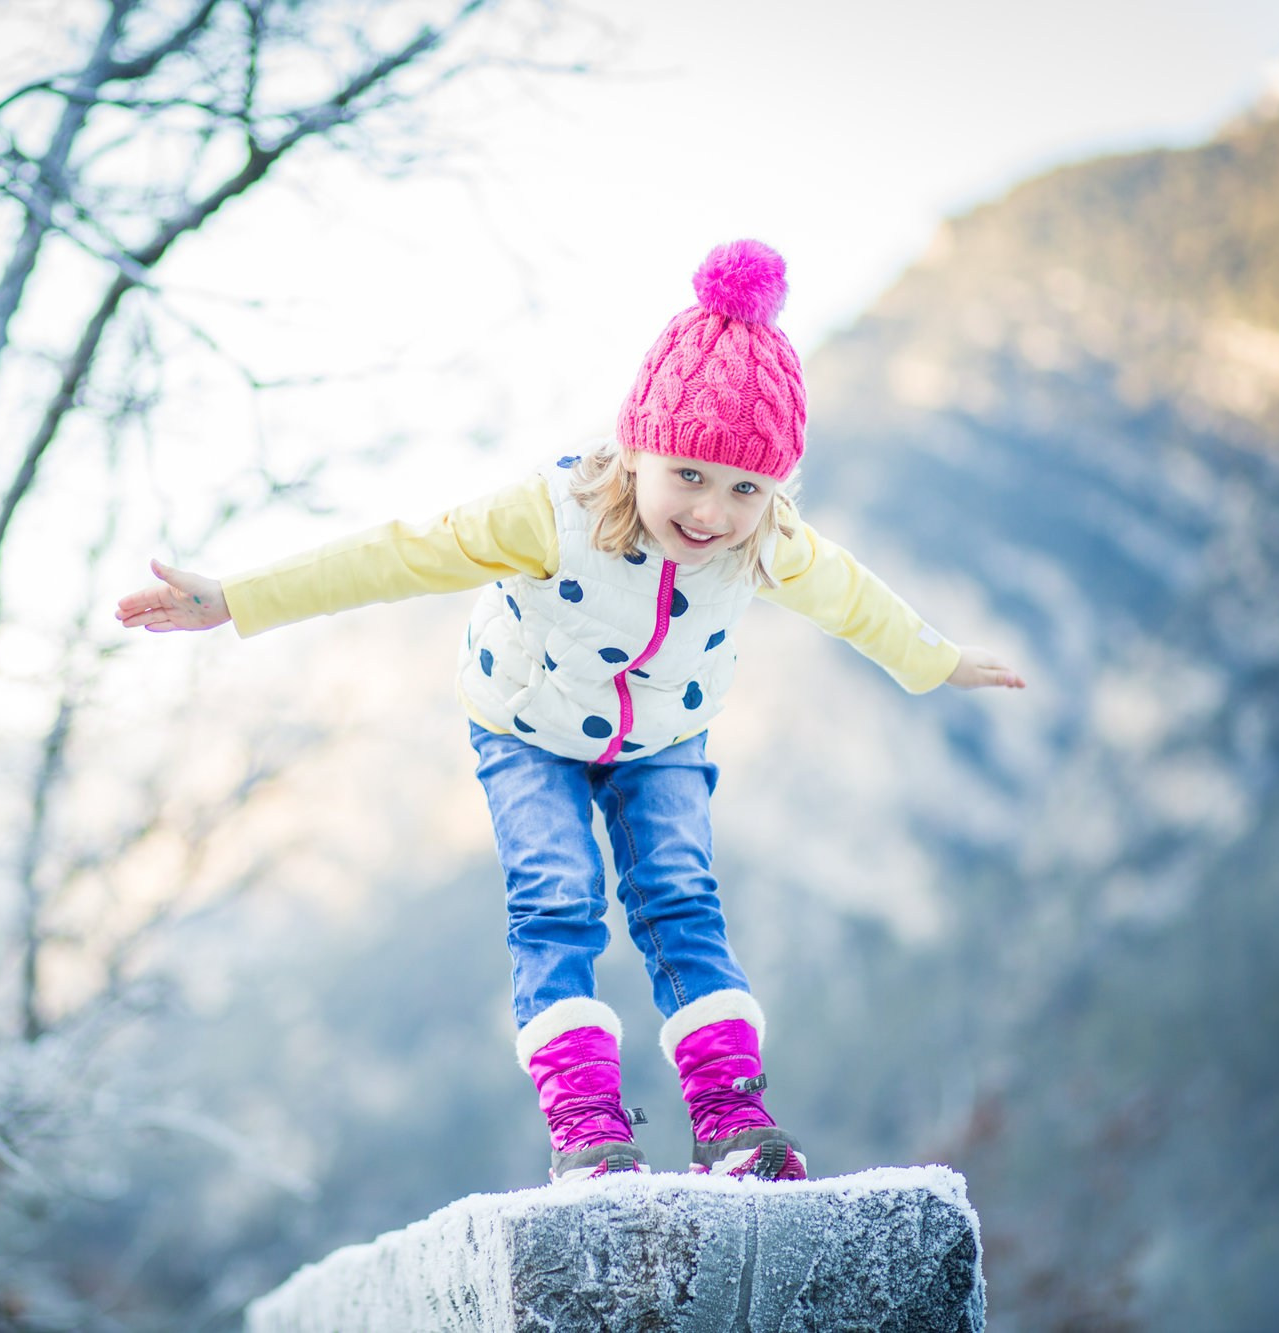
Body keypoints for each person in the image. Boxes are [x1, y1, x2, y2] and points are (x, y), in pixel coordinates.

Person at [116, 240, 1025, 1185]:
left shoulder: (768, 543)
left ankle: (731, 1120)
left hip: (665, 736)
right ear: (637, 451)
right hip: (523, 725)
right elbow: (394, 554)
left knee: (681, 899)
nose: (713, 510)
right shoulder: (548, 514)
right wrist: (239, 597)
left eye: (747, 488)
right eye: (690, 475)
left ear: (776, 491)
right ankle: (588, 1127)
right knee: (556, 894)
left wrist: (939, 660)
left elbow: (856, 601)